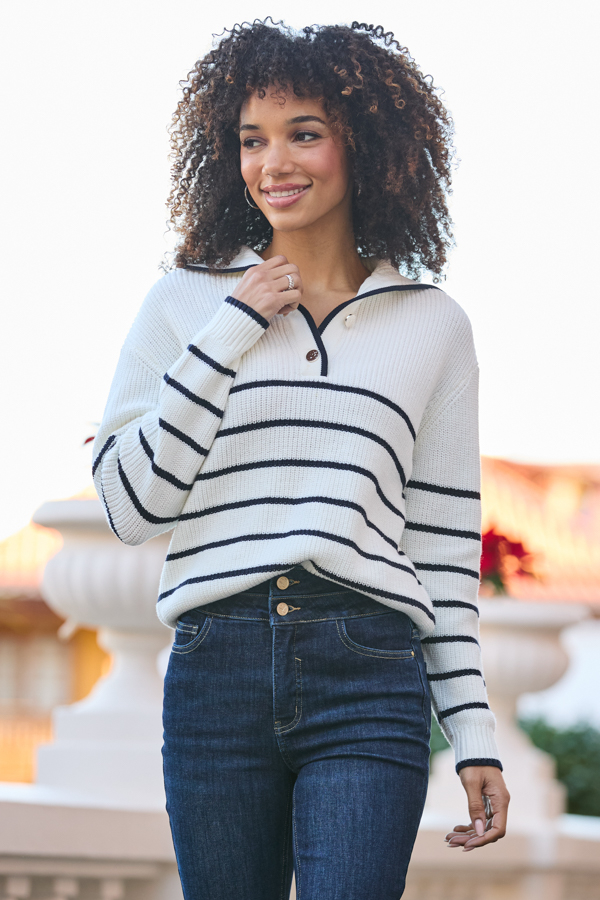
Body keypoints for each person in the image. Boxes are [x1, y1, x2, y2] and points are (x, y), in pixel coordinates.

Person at [92, 20, 510, 900]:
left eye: (303, 134)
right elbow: (134, 508)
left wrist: (473, 733)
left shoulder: (433, 326)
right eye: (252, 140)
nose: (273, 162)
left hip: (367, 665)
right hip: (218, 664)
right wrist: (232, 328)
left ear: (367, 145)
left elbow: (439, 550)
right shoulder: (184, 302)